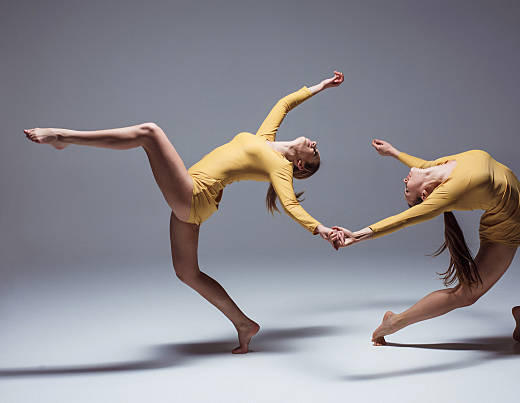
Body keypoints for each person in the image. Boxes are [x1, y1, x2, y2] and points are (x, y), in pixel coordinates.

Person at [24, 71, 345, 354]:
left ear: (300, 164)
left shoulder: (279, 168)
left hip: (193, 195)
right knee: (187, 273)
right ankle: (245, 324)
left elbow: (290, 204)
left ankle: (63, 137)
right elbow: (284, 103)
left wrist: (321, 229)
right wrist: (321, 86)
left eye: (313, 150)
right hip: (196, 200)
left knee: (149, 133)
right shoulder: (266, 140)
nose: (313, 141)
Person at [330, 139, 520, 345]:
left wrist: (394, 152)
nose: (404, 181)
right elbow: (404, 219)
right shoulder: (447, 192)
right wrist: (358, 234)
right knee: (465, 295)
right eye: (407, 190)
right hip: (505, 231)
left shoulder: (440, 167)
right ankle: (394, 322)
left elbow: (423, 165)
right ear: (425, 194)